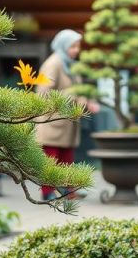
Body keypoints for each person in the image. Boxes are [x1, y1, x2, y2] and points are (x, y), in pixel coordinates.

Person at [34, 29, 99, 201]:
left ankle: (67, 190)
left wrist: (86, 101)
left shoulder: (70, 64)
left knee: (66, 158)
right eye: (73, 46)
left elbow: (78, 90)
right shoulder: (53, 64)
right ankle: (47, 192)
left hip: (66, 123)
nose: (76, 50)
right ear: (63, 46)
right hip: (52, 121)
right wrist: (73, 98)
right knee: (51, 159)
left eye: (78, 46)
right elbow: (43, 92)